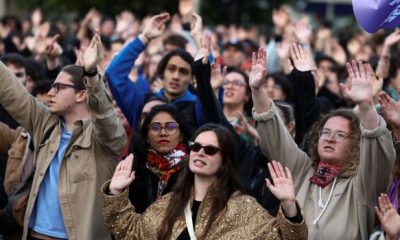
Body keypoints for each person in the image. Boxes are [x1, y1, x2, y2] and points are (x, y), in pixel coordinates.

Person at [250, 47, 396, 239]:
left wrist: (366, 106)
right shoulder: (302, 169)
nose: (329, 138)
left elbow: (377, 152)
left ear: (355, 144)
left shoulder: (361, 186)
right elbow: (274, 135)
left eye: (340, 135)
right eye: (325, 132)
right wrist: (257, 90)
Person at [0, 30, 126, 239]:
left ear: (81, 94)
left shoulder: (103, 137)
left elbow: (105, 117)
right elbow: (11, 91)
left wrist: (91, 73)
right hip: (34, 235)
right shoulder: (46, 122)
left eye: (58, 87)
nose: (51, 92)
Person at [102, 123, 307, 239]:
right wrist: (115, 193)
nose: (200, 153)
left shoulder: (244, 208)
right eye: (195, 147)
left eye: (209, 150)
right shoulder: (169, 203)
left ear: (225, 160)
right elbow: (130, 232)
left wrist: (289, 206)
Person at [105, 12, 204, 130]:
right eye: (171, 69)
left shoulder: (198, 108)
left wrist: (200, 42)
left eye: (183, 71)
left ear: (192, 78)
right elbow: (114, 73)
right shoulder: (142, 103)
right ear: (162, 73)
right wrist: (145, 37)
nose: (176, 76)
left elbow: (212, 83)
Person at [127, 104, 192, 213]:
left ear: (181, 135)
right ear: (147, 136)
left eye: (171, 127)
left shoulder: (193, 166)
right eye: (155, 127)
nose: (163, 133)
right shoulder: (133, 166)